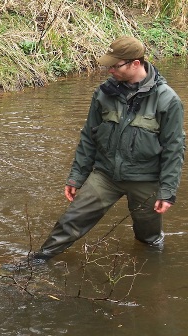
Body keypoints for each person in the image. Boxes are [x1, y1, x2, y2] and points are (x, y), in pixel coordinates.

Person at [31, 36, 185, 262]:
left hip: (146, 179)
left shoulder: (167, 100)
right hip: (105, 175)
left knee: (148, 239)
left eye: (115, 65)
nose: (109, 70)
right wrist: (76, 177)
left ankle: (151, 273)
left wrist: (167, 192)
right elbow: (88, 137)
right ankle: (38, 261)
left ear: (135, 63)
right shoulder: (103, 93)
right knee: (71, 220)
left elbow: (174, 148)